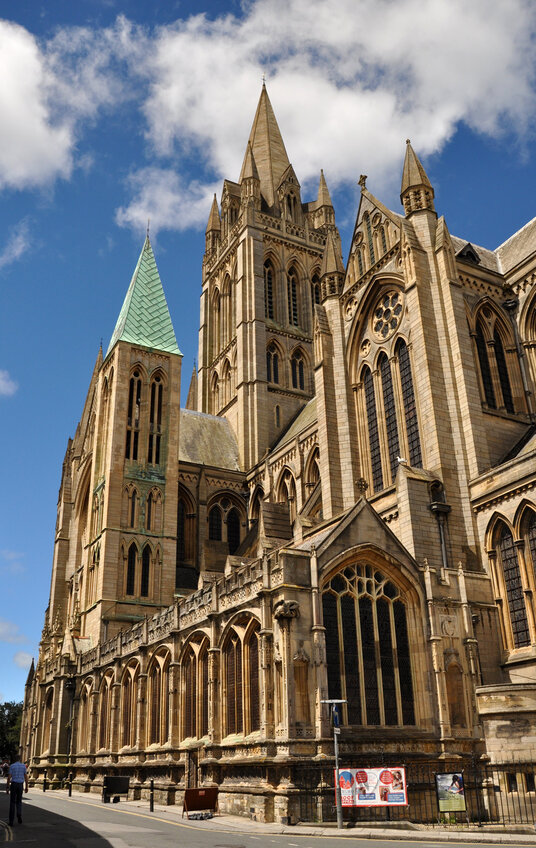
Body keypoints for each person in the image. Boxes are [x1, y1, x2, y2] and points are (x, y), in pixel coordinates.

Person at [6, 755, 28, 826]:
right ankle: (19, 814)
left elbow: (9, 777)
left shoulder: (12, 766)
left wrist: (7, 787)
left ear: (15, 759)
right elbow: (26, 777)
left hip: (14, 784)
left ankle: (11, 821)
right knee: (19, 801)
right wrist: (26, 787)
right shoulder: (23, 766)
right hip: (20, 785)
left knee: (12, 802)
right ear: (20, 759)